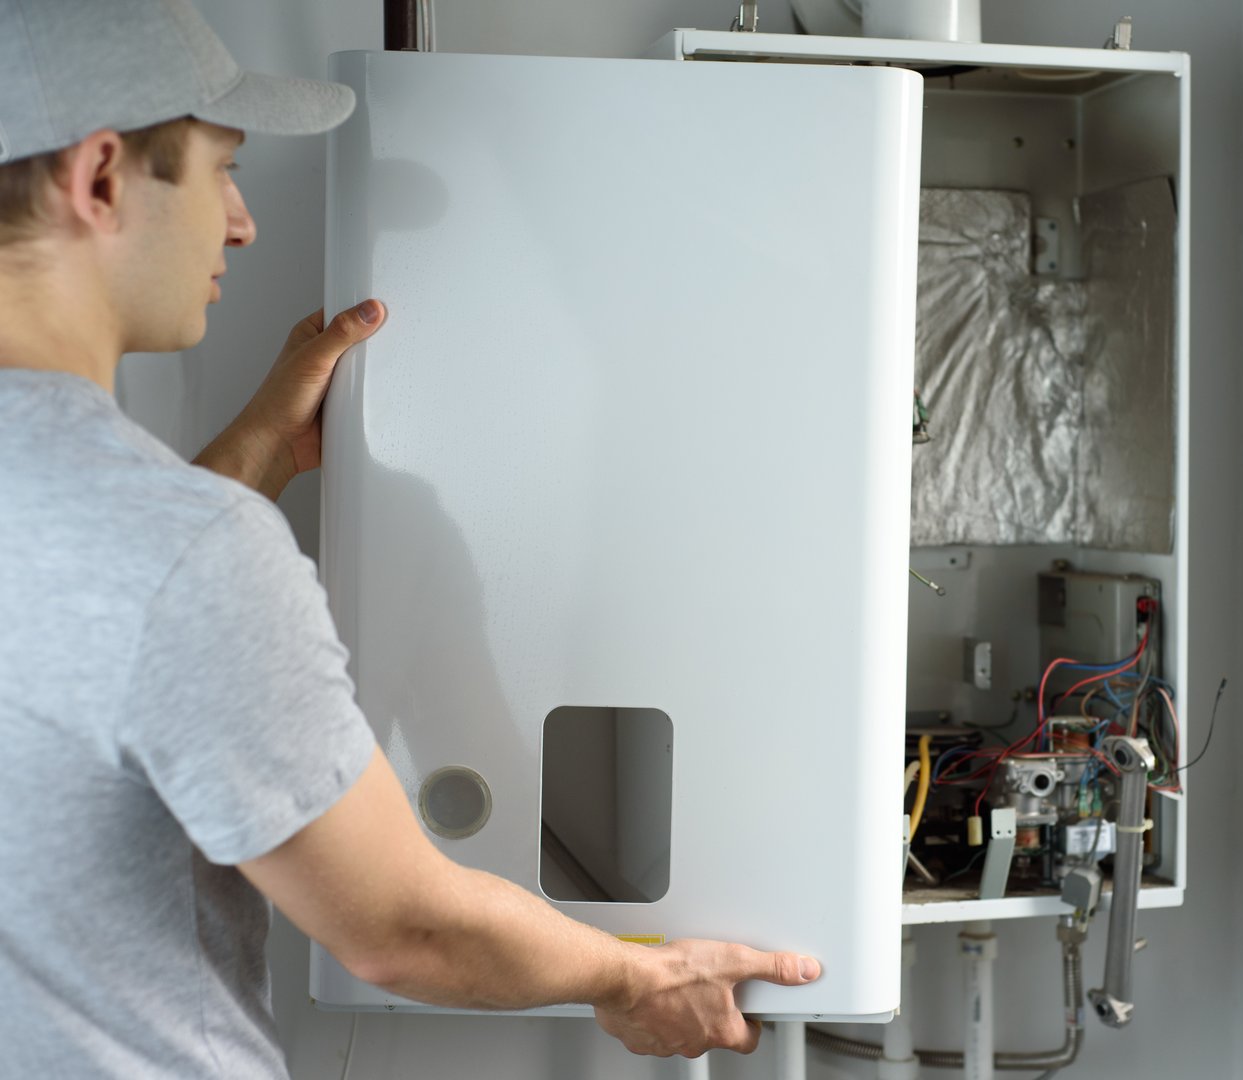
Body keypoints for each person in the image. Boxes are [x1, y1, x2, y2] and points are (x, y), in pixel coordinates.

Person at [0, 1, 820, 1076]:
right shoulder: (188, 554)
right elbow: (399, 930)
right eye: (221, 171)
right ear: (102, 178)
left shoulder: (138, 544)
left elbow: (84, 629)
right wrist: (641, 978)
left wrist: (259, 450)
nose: (241, 223)